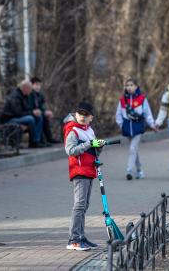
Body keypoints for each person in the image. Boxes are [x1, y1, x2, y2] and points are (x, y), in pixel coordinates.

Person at [63, 101, 105, 251]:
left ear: (91, 117)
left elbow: (93, 152)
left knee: (84, 206)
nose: (82, 116)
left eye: (86, 114)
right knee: (79, 205)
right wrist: (89, 144)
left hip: (89, 170)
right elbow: (70, 150)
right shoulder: (72, 130)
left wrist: (98, 147)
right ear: (76, 114)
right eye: (80, 113)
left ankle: (81, 237)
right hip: (79, 171)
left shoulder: (90, 131)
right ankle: (74, 239)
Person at [115, 78, 156, 180]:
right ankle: (140, 171)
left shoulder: (142, 99)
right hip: (127, 127)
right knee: (134, 150)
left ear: (136, 87)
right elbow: (118, 114)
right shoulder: (122, 100)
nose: (129, 87)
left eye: (131, 85)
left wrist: (152, 124)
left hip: (138, 127)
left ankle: (129, 170)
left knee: (133, 148)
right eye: (127, 85)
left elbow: (147, 113)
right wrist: (121, 125)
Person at [0, 80, 44, 148]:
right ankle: (35, 141)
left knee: (39, 117)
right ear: (25, 88)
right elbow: (18, 112)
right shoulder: (15, 96)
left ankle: (36, 141)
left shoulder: (24, 95)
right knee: (30, 119)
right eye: (30, 89)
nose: (31, 91)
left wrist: (34, 111)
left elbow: (27, 108)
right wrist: (32, 112)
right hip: (10, 119)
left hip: (19, 117)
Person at [30, 77, 59, 144]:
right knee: (40, 117)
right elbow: (30, 106)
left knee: (45, 116)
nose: (38, 87)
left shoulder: (40, 95)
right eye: (36, 85)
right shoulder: (30, 94)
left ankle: (49, 138)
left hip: (38, 113)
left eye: (39, 85)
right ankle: (39, 140)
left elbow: (41, 107)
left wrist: (45, 111)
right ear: (31, 85)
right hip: (31, 113)